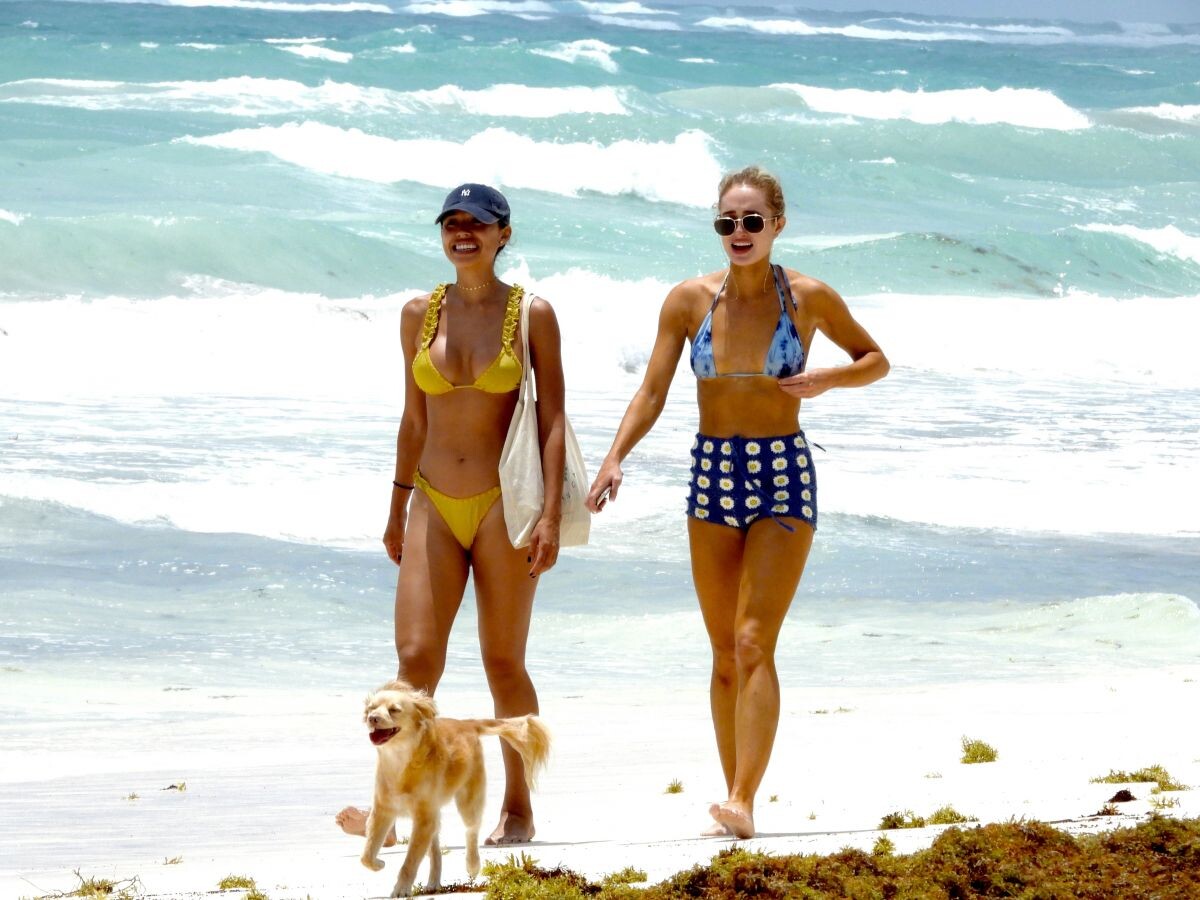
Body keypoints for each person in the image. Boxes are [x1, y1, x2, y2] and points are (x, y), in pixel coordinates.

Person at [586, 166, 889, 839]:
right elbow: (653, 391)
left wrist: (828, 379)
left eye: (752, 221)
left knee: (755, 640)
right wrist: (614, 456)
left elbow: (875, 359)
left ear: (777, 224)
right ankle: (733, 799)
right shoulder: (688, 300)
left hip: (783, 472)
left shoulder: (808, 298)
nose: (739, 232)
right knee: (724, 651)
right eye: (727, 222)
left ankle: (745, 800)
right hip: (712, 472)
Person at [336, 183, 566, 845]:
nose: (463, 233)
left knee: (503, 663)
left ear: (503, 234)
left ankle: (517, 808)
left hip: (504, 506)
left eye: (478, 223)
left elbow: (553, 420)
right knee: (414, 662)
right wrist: (396, 506)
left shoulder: (533, 314)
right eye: (452, 223)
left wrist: (550, 515)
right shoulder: (419, 313)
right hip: (432, 501)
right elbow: (414, 420)